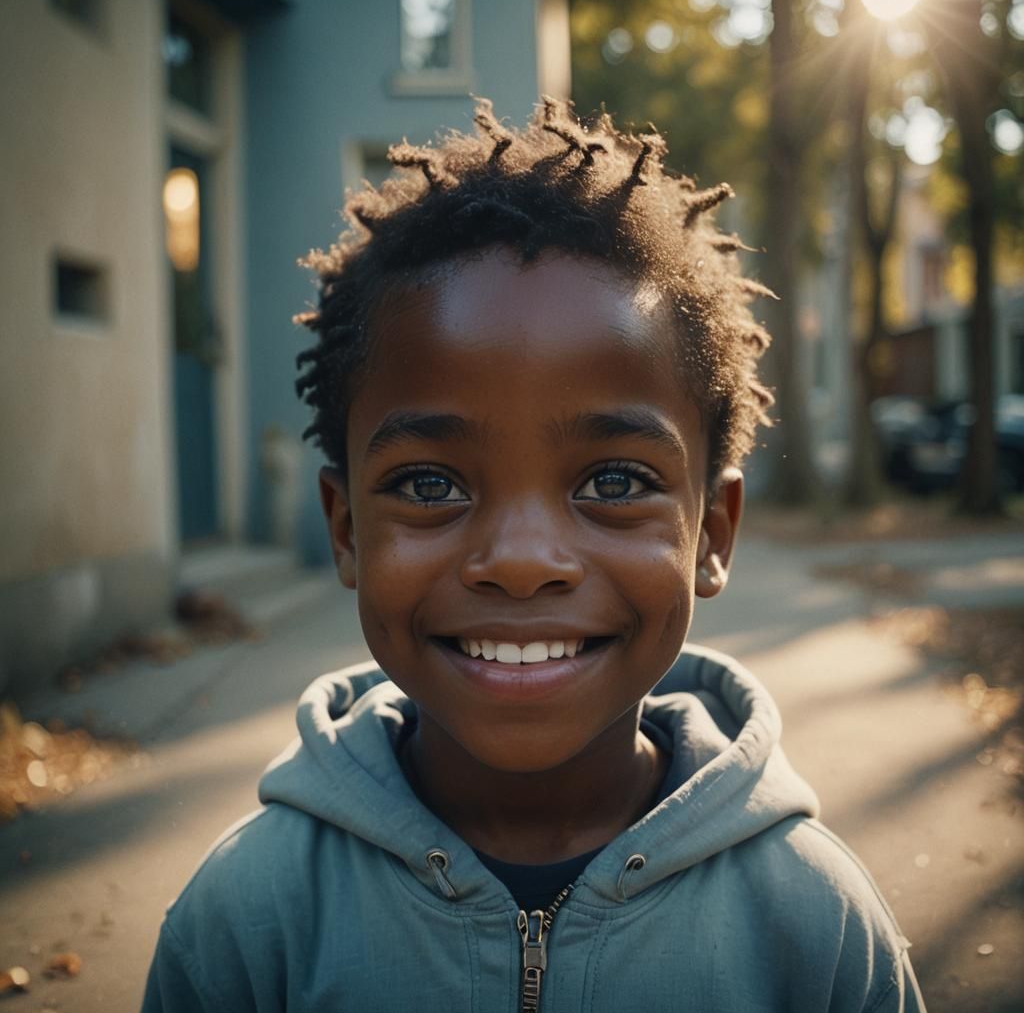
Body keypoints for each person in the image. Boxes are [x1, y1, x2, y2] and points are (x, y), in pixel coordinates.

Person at [142, 98, 925, 1012]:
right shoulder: (248, 923)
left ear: (712, 533)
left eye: (617, 481)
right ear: (346, 528)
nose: (521, 561)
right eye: (432, 486)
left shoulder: (814, 926)